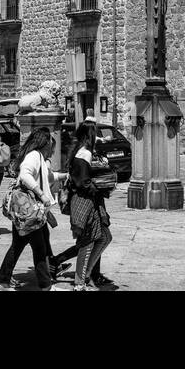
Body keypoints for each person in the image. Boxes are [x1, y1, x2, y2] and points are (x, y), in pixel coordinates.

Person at [0, 127, 67, 291]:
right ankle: (45, 286)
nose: (53, 150)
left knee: (21, 247)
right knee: (39, 250)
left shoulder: (38, 157)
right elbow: (26, 175)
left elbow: (46, 177)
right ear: (45, 143)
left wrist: (63, 176)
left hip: (27, 211)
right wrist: (42, 194)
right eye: (51, 145)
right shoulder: (34, 156)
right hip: (30, 211)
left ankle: (2, 282)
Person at [65, 121, 115, 290]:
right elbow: (84, 182)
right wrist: (101, 187)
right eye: (95, 134)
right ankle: (80, 282)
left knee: (103, 237)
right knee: (87, 242)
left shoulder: (79, 151)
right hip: (85, 202)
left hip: (90, 201)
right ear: (89, 136)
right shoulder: (84, 154)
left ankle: (86, 275)